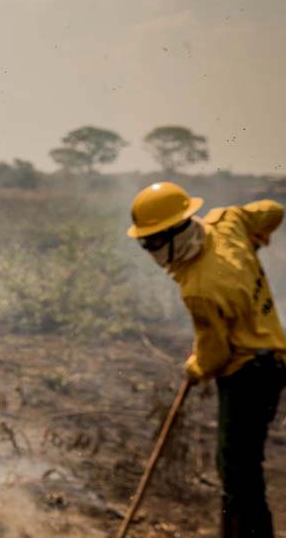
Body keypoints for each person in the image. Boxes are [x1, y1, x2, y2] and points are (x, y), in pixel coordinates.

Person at [127, 181, 286, 537]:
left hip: (248, 373)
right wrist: (251, 239)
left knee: (237, 470)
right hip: (275, 360)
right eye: (145, 243)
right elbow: (274, 212)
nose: (150, 250)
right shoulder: (227, 223)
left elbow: (215, 355)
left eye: (153, 242)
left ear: (176, 233)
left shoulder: (199, 288)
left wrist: (194, 368)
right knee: (242, 464)